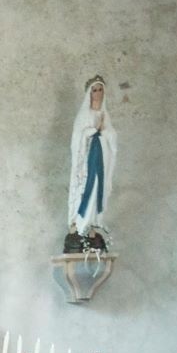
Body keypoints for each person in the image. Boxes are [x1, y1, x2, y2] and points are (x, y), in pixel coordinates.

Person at [67, 74, 117, 248]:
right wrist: (93, 130)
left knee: (97, 188)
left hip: (101, 159)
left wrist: (104, 131)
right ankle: (79, 224)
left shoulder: (105, 114)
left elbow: (112, 137)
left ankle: (92, 225)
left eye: (100, 89)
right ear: (89, 93)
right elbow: (78, 138)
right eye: (94, 90)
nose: (98, 93)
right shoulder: (84, 114)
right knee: (85, 188)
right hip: (87, 161)